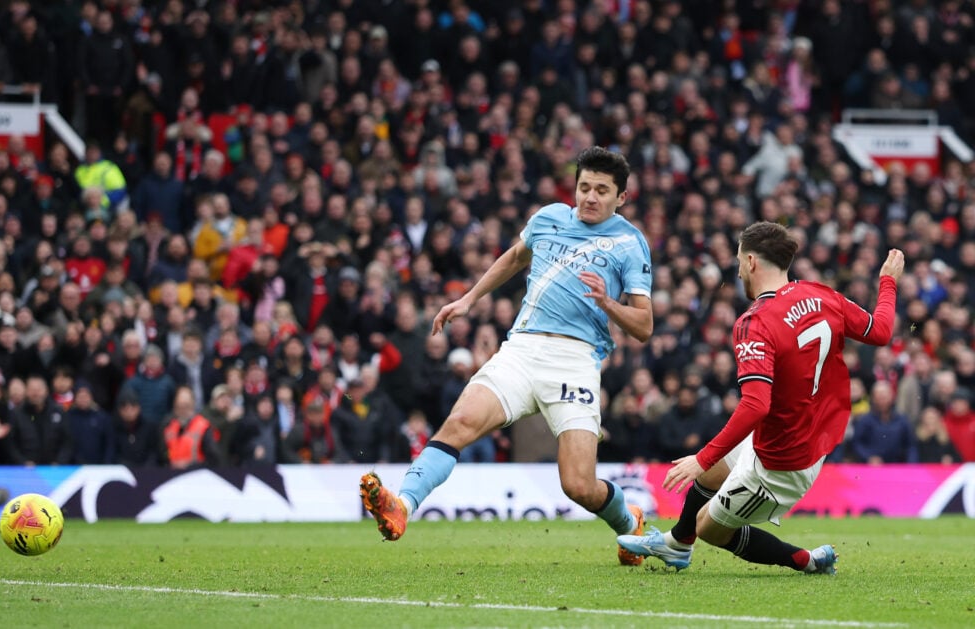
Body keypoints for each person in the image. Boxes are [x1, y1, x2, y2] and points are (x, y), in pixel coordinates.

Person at [360, 147, 654, 565]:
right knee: (459, 422)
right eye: (584, 186)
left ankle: (631, 524)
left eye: (602, 190)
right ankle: (402, 506)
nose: (590, 196)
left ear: (621, 198)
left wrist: (608, 302)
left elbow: (644, 326)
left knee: (578, 485)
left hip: (575, 361)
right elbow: (517, 257)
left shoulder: (629, 243)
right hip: (522, 348)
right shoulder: (549, 217)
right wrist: (468, 299)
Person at [618, 222, 904, 574]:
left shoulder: (754, 322)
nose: (737, 269)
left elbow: (755, 404)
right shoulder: (821, 295)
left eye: (739, 260)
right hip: (799, 434)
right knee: (711, 476)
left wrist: (702, 457)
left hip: (782, 461)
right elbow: (881, 330)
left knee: (710, 526)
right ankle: (677, 544)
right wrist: (888, 282)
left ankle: (808, 561)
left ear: (751, 261)